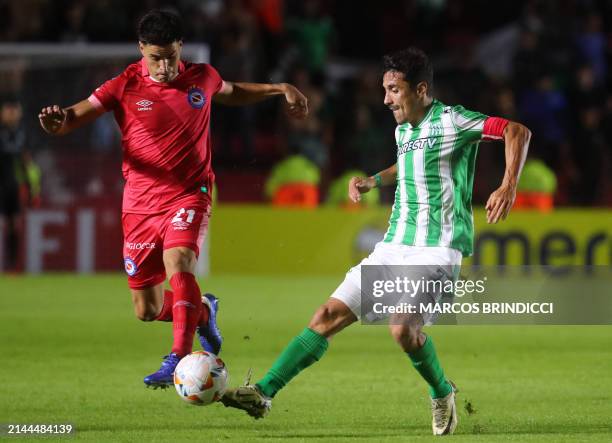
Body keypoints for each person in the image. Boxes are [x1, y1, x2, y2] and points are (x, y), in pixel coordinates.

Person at [221, 47, 531, 436]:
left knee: (402, 328)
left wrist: (508, 184)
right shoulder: (404, 129)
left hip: (437, 248)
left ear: (420, 89)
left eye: (394, 90)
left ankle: (442, 392)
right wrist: (374, 180)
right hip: (393, 244)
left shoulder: (453, 120)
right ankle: (263, 393)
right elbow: (409, 164)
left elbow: (516, 131)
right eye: (385, 89)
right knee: (324, 317)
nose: (386, 99)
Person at [38, 9, 308, 388]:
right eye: (155, 57)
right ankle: (202, 311)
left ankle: (178, 357)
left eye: (170, 56)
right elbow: (75, 116)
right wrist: (58, 120)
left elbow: (233, 92)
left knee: (179, 260)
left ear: (181, 47)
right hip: (139, 204)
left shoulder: (202, 78)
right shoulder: (123, 85)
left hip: (189, 192)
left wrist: (279, 88)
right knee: (146, 309)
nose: (163, 66)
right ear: (141, 50)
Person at [0, 96, 38, 272]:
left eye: (14, 110)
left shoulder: (23, 133)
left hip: (13, 186)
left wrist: (32, 189)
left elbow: (26, 162)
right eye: (9, 110)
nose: (12, 113)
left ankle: (11, 265)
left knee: (14, 224)